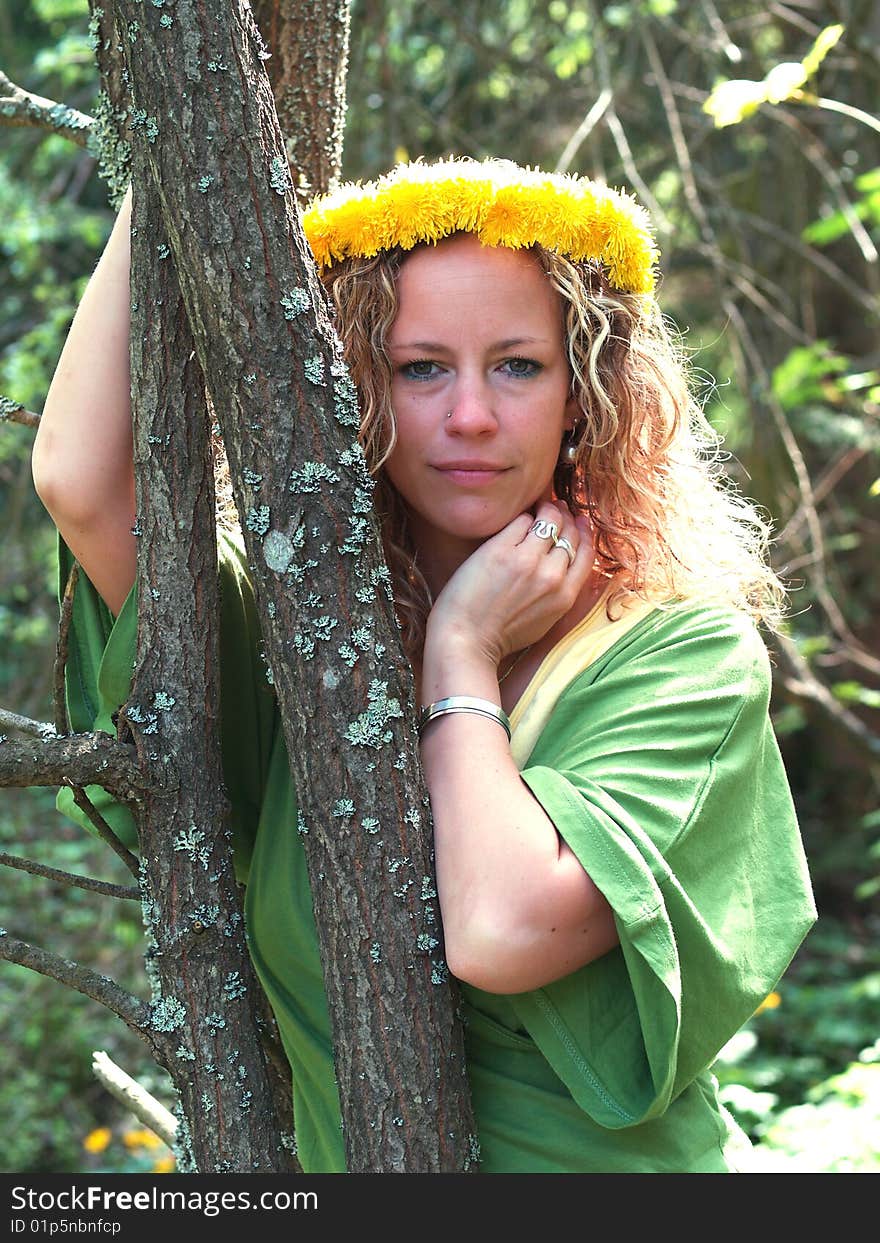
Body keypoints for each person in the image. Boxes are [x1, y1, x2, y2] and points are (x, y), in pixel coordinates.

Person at [32, 156, 816, 1173]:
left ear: (583, 392)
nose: (473, 417)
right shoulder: (305, 649)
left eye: (518, 365)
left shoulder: (678, 654)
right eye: (421, 367)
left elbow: (497, 930)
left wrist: (460, 653)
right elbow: (83, 484)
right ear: (358, 384)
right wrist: (175, 114)